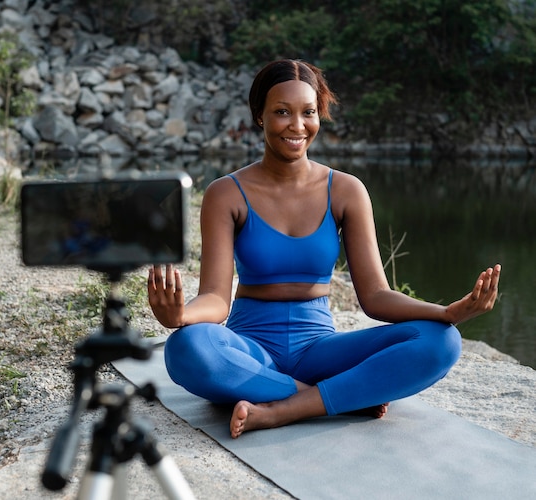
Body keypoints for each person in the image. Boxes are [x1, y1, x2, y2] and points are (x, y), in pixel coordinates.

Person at [147, 59, 502, 439]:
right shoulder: (226, 193)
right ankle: (329, 398)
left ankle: (281, 409)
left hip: (321, 352)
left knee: (441, 340)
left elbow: (376, 296)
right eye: (282, 112)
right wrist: (180, 315)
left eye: (308, 113)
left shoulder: (346, 190)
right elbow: (217, 298)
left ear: (320, 116)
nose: (297, 126)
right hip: (249, 350)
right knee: (186, 347)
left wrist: (447, 312)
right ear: (259, 116)